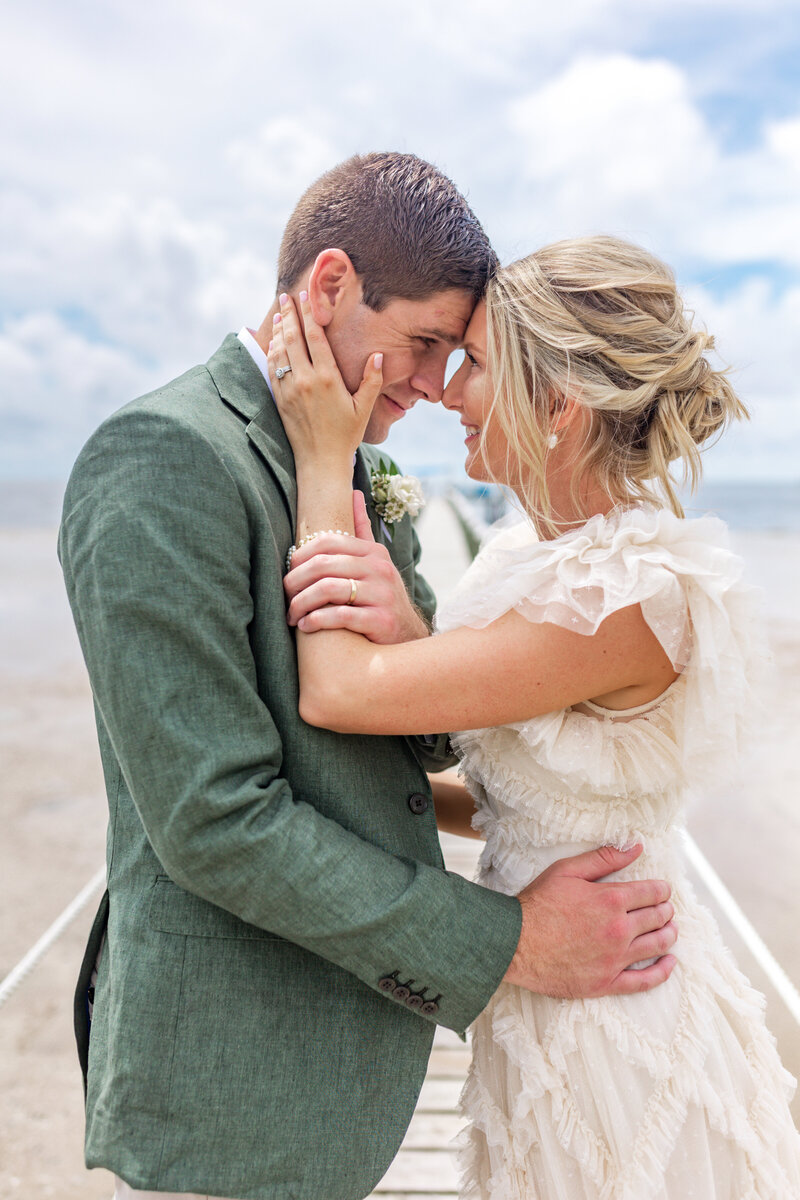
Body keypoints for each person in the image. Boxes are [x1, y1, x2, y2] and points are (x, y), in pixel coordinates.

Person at [58, 156, 677, 1200]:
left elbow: (418, 736)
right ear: (332, 284)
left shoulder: (342, 454)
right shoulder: (163, 456)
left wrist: (406, 624)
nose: (436, 387)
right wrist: (510, 943)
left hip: (341, 1066)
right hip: (236, 1076)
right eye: (426, 344)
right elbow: (215, 819)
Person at [269, 234, 800, 1199]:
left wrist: (323, 457)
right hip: (550, 979)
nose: (446, 390)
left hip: (613, 1013)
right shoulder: (534, 558)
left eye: (472, 363)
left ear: (555, 407)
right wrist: (416, 643)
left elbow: (338, 693)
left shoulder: (634, 590)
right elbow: (516, 786)